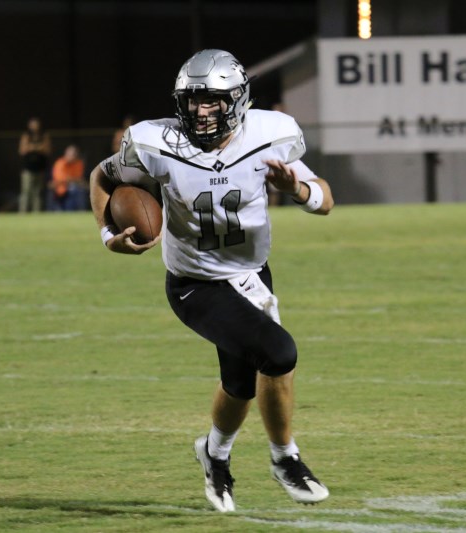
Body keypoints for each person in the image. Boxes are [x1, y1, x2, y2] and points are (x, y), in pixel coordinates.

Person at [90, 49, 334, 513]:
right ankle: (285, 458)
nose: (201, 111)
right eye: (193, 100)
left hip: (251, 275)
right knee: (279, 353)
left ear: (237, 100)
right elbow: (101, 176)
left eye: (212, 101)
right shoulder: (156, 142)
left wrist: (297, 190)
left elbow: (325, 199)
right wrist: (107, 234)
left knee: (240, 384)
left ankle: (214, 455)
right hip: (194, 284)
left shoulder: (269, 135)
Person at [18, 117, 51, 212]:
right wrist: (37, 147)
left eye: (36, 124)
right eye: (33, 125)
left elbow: (47, 150)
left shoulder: (44, 136)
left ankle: (37, 213)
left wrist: (32, 147)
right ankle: (23, 212)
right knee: (26, 192)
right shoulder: (26, 136)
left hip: (40, 168)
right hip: (28, 169)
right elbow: (22, 150)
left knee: (38, 192)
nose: (35, 127)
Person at [50, 144, 85, 211]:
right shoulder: (60, 163)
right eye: (72, 154)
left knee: (77, 189)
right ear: (66, 154)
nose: (73, 156)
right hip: (60, 189)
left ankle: (81, 211)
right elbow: (60, 180)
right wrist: (71, 179)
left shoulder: (78, 163)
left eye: (75, 154)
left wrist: (70, 179)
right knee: (73, 188)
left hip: (72, 189)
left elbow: (79, 179)